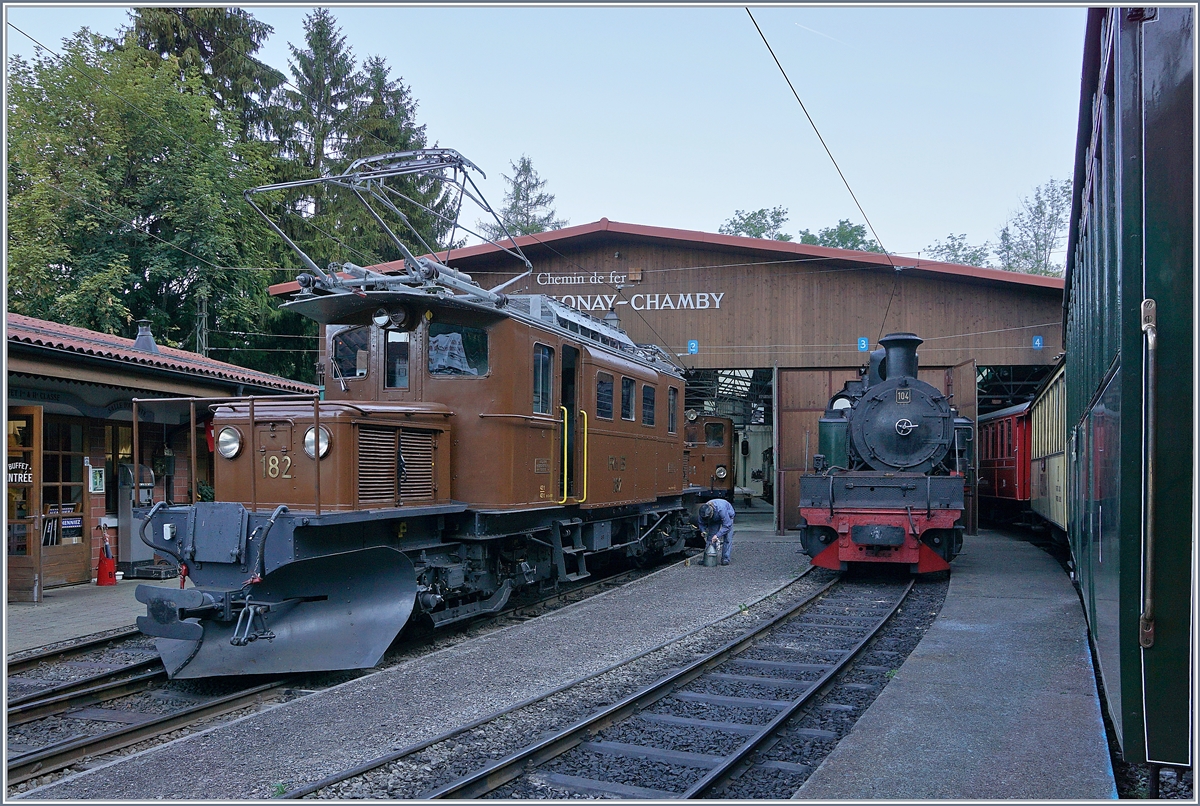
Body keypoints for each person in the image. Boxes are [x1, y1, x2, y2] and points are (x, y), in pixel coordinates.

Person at [698, 498, 736, 565]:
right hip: (714, 519)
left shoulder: (721, 509)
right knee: (710, 538)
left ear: (711, 512)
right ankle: (707, 558)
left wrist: (717, 535)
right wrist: (703, 530)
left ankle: (725, 558)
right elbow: (701, 522)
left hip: (728, 516)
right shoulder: (703, 512)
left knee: (727, 538)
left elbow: (727, 525)